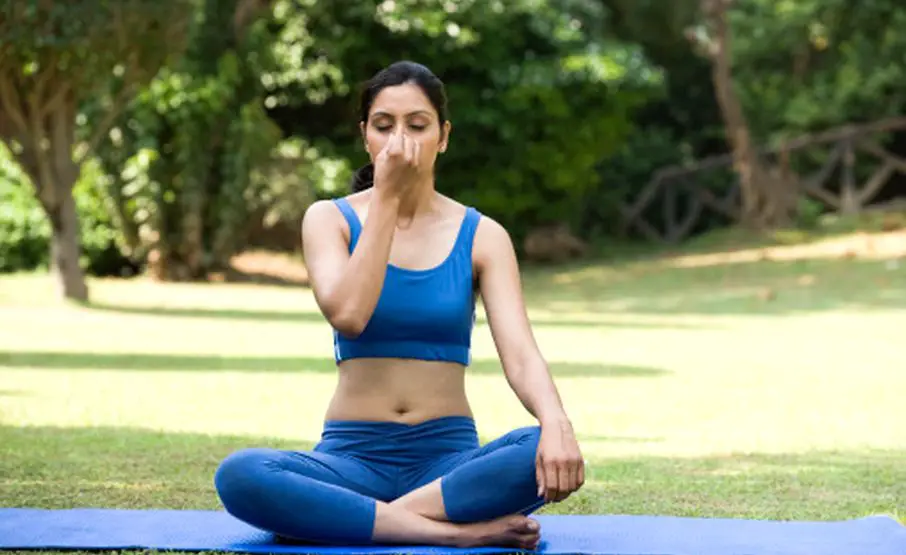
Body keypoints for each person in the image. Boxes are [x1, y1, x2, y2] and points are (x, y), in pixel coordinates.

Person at [213, 61, 584, 551]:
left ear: (443, 136)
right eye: (384, 125)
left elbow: (520, 353)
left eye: (417, 125)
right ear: (365, 136)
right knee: (241, 475)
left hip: (447, 466)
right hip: (350, 459)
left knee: (536, 448)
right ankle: (453, 535)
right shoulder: (330, 220)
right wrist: (385, 198)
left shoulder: (483, 236)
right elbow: (349, 314)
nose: (399, 140)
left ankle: (339, 519)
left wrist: (557, 424)